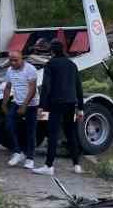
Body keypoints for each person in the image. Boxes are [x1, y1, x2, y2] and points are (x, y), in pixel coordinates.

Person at [34, 40, 84, 176]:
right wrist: (80, 108)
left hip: (56, 103)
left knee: (53, 134)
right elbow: (78, 86)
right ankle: (77, 165)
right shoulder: (72, 65)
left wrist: (41, 106)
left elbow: (46, 87)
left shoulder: (50, 64)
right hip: (70, 103)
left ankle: (49, 166)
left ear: (52, 51)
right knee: (71, 133)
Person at [1, 48, 40, 170]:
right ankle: (17, 152)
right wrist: (4, 103)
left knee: (30, 131)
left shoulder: (30, 70)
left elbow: (32, 90)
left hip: (31, 104)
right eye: (11, 60)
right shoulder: (10, 70)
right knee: (9, 126)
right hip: (17, 102)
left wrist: (24, 106)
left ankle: (30, 158)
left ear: (21, 58)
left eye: (15, 60)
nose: (13, 63)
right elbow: (8, 87)